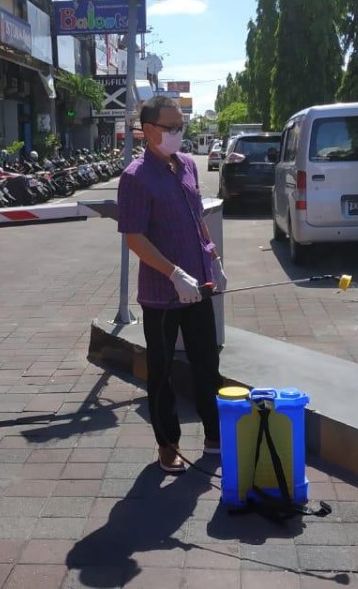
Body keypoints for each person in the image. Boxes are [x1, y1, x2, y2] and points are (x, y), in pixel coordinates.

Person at [117, 95, 227, 474]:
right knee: (162, 373)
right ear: (148, 131)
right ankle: (168, 444)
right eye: (171, 127)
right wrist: (173, 274)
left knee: (207, 363)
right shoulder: (135, 177)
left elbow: (197, 218)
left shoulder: (187, 167)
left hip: (199, 286)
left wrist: (212, 258)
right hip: (162, 295)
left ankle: (214, 436)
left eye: (182, 126)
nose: (179, 133)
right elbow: (134, 237)